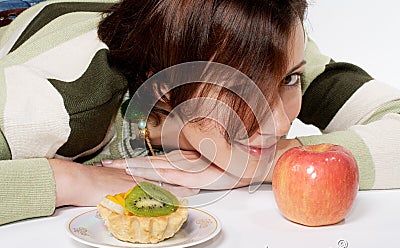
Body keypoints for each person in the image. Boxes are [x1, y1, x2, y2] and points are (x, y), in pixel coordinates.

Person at [0, 0, 399, 226]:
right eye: (239, 88)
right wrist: (68, 179)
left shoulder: (274, 48)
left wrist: (271, 162)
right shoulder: (63, 103)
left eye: (289, 81)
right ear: (163, 84)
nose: (278, 122)